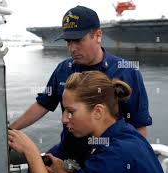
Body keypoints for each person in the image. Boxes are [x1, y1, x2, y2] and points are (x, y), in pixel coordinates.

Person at [9, 6, 152, 164]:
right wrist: (10, 130)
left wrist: (138, 162)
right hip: (69, 152)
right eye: (68, 41)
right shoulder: (63, 69)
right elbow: (43, 104)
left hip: (107, 157)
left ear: (98, 35)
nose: (72, 48)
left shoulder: (127, 72)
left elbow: (138, 124)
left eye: (78, 40)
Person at [8, 71, 166, 173]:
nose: (64, 119)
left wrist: (31, 152)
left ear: (98, 111)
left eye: (71, 111)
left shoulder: (116, 154)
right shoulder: (125, 134)